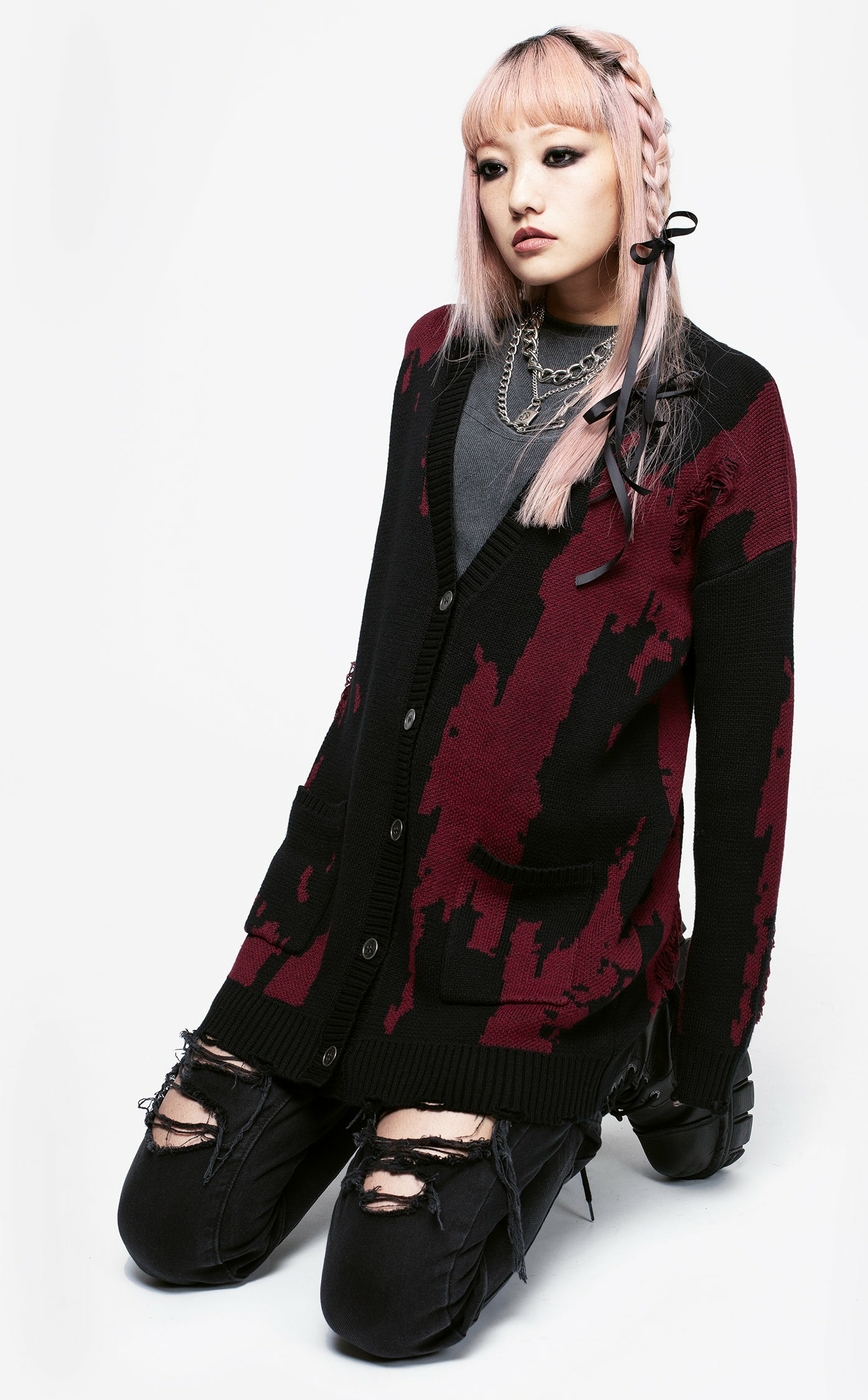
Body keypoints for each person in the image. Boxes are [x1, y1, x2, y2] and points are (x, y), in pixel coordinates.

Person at [118, 25, 797, 1360]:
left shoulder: (723, 414)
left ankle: (601, 1061)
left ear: (637, 167)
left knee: (382, 1302)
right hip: (348, 899)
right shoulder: (436, 357)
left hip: (534, 942)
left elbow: (748, 761)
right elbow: (388, 651)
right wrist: (314, 868)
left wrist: (710, 1051)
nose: (519, 194)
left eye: (559, 155)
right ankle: (364, 1068)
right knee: (170, 1223)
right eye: (492, 165)